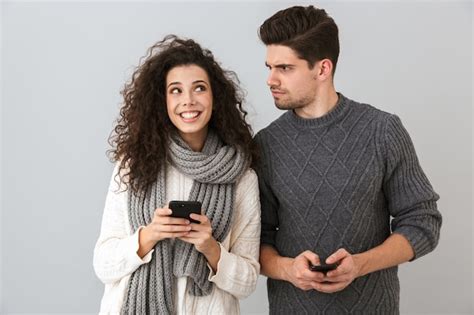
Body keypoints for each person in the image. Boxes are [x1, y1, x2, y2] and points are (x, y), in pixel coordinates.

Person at [254, 5, 442, 314]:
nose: (270, 79)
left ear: (323, 69)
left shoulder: (382, 130)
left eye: (284, 68)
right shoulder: (266, 144)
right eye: (269, 67)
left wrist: (360, 265)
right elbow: (254, 240)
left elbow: (423, 222)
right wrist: (288, 269)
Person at [93, 35, 261, 315]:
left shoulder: (241, 177)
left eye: (199, 88)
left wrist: (211, 248)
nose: (188, 101)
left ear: (215, 97)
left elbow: (247, 282)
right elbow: (103, 264)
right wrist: (147, 236)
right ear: (162, 100)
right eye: (176, 90)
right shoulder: (134, 165)